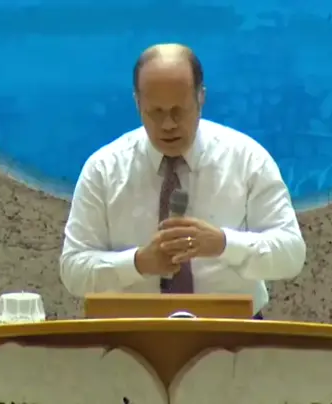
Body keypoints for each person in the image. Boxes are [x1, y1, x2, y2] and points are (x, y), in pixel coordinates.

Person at [59, 43, 306, 318]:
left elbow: (291, 254)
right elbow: (73, 270)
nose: (168, 125)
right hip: (132, 332)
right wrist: (138, 263)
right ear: (137, 103)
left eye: (179, 110)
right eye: (156, 112)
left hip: (233, 330)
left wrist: (223, 244)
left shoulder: (247, 160)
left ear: (201, 98)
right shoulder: (103, 170)